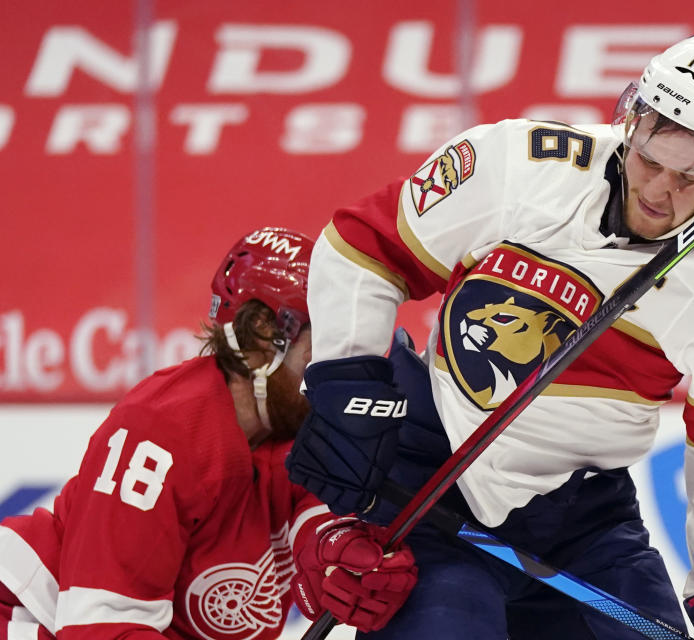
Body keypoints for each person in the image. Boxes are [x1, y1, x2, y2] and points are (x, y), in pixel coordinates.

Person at [288, 29, 694, 640]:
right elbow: (364, 249)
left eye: (688, 178)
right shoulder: (518, 163)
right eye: (648, 158)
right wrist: (349, 377)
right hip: (432, 484)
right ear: (633, 117)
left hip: (584, 522)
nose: (658, 191)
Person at [0, 227, 417, 640]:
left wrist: (342, 561)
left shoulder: (299, 429)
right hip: (29, 617)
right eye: (320, 352)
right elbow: (103, 629)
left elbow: (318, 538)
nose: (334, 376)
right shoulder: (159, 435)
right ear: (261, 334)